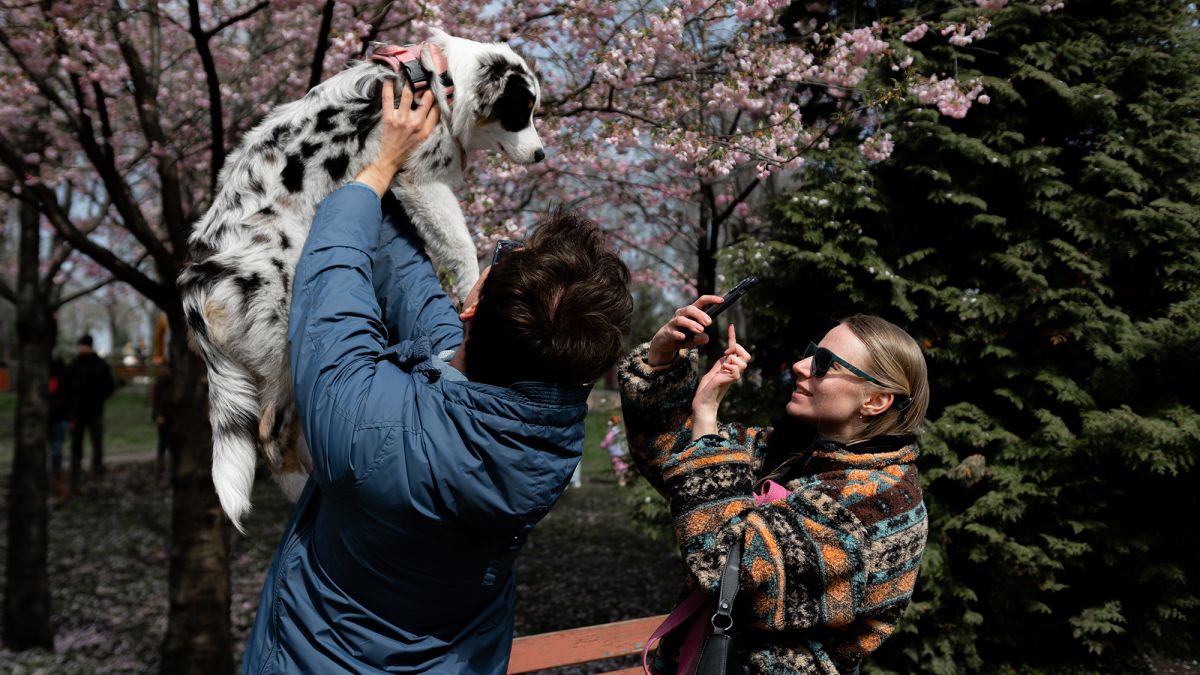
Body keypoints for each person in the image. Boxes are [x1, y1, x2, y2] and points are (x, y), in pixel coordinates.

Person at [242, 81, 633, 674]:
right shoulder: (544, 438)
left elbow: (331, 290)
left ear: (473, 310)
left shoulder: (366, 426)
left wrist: (380, 165)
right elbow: (413, 290)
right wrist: (393, 167)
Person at [618, 299, 929, 674]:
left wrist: (706, 418)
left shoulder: (875, 505)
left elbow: (725, 569)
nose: (799, 367)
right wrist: (661, 361)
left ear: (876, 400)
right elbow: (675, 460)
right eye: (812, 354)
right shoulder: (794, 455)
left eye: (824, 364)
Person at [66, 334, 115, 492]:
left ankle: (97, 474)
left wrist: (98, 398)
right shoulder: (74, 365)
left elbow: (109, 386)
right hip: (78, 413)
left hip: (94, 411)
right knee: (76, 446)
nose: (81, 348)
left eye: (83, 345)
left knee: (97, 444)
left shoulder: (100, 365)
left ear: (89, 346)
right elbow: (68, 388)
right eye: (80, 345)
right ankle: (75, 475)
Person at [48, 354, 70, 499]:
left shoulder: (62, 381)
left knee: (56, 450)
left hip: (59, 419)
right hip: (51, 419)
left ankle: (57, 480)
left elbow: (67, 399)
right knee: (55, 450)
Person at [150, 356, 173, 478]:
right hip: (163, 417)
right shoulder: (160, 382)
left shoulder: (169, 379)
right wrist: (158, 415)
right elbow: (156, 401)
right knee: (164, 442)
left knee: (168, 442)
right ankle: (161, 465)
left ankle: (167, 465)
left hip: (170, 416)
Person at [600, 415, 631, 486]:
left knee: (617, 466)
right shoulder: (619, 430)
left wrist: (603, 445)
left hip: (615, 451)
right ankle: (626, 476)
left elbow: (607, 440)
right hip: (623, 450)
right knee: (622, 464)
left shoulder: (612, 431)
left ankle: (622, 480)